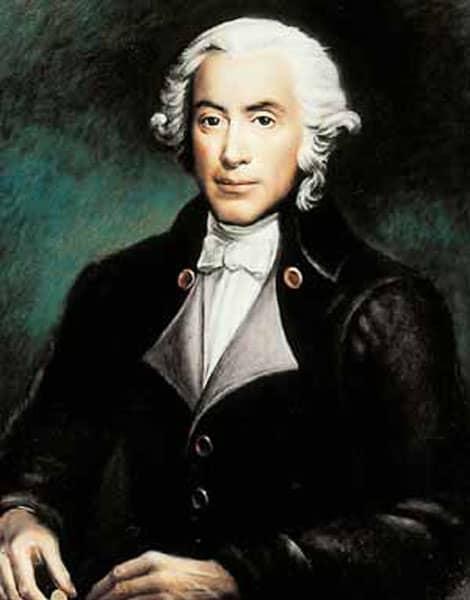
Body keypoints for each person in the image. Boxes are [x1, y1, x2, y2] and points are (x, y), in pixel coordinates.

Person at [0, 16, 467, 600]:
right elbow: (47, 455)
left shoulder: (385, 305)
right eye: (211, 120)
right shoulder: (115, 287)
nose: (232, 152)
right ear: (184, 132)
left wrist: (240, 577)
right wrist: (23, 514)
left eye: (262, 119)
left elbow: (438, 528)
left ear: (310, 136)